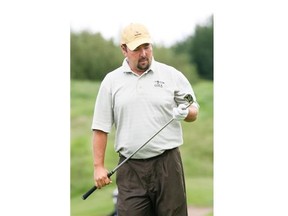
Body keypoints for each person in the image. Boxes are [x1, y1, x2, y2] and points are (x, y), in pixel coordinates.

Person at [91, 22, 199, 216]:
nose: (143, 54)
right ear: (124, 49)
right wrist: (98, 167)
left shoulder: (171, 75)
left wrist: (186, 113)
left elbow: (193, 109)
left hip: (167, 164)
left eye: (146, 46)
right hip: (130, 167)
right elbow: (100, 127)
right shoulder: (111, 81)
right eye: (137, 49)